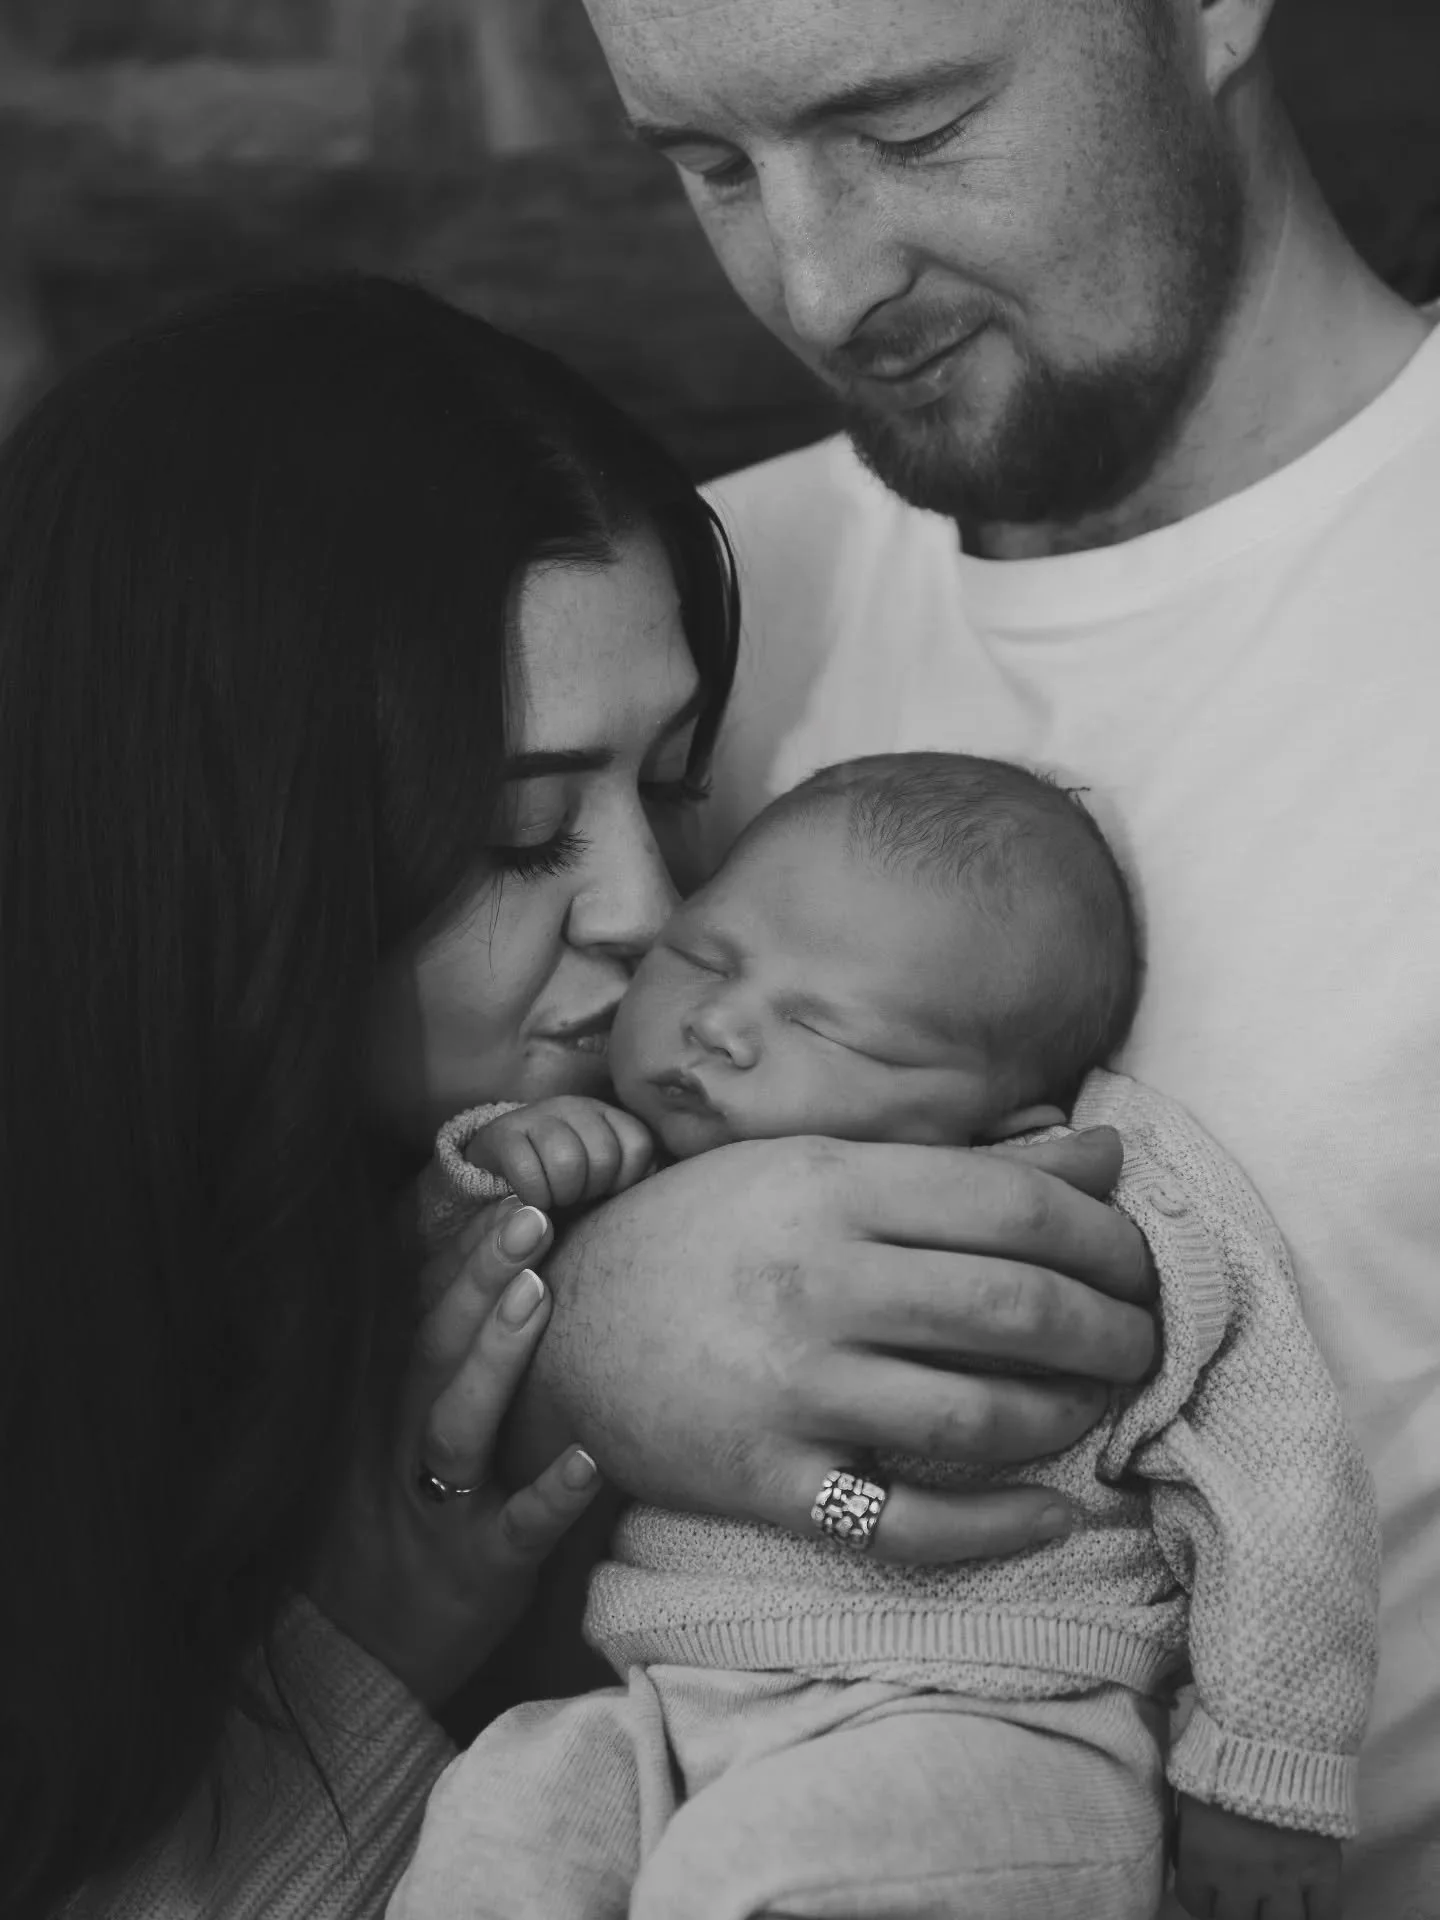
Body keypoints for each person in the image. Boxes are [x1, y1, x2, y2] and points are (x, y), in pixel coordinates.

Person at [0, 273, 1144, 1920]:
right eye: (514, 829)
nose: (648, 909)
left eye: (675, 785)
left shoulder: (677, 1148)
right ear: (209, 844)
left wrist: (640, 1375)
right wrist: (379, 1638)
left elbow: (835, 1505)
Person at [542, 0, 1440, 1910]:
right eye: (707, 165)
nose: (815, 278)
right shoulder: (679, 618)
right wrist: (598, 1331)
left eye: (915, 121)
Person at [389, 751, 1380, 1920]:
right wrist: (495, 1179)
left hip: (995, 1723)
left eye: (832, 1029)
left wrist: (1268, 1769)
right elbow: (423, 1333)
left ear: (1006, 1116)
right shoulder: (617, 1152)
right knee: (496, 1816)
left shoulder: (1105, 1209)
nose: (717, 1025)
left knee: (758, 1874)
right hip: (661, 1709)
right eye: (702, 954)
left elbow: (1277, 1469)